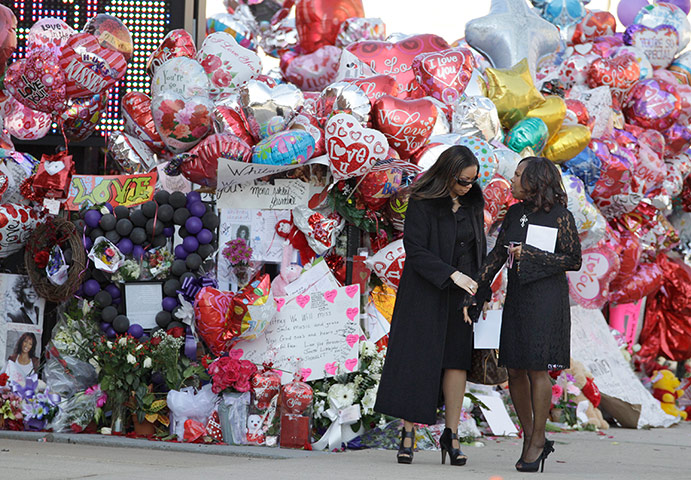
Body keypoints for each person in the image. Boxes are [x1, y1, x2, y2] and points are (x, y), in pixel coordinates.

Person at [374, 145, 486, 466]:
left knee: (456, 361)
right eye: (463, 181)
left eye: (472, 181)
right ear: (448, 174)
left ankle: (451, 436)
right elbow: (416, 249)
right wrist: (452, 275)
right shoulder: (422, 201)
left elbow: (479, 248)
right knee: (417, 358)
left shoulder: (472, 203)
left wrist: (479, 290)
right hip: (424, 290)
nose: (468, 187)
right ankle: (407, 432)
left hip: (461, 295)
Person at [471, 156, 582, 473]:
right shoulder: (515, 213)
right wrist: (477, 289)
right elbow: (497, 255)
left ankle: (538, 438)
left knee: (537, 369)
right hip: (518, 296)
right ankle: (529, 433)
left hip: (547, 299)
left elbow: (573, 259)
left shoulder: (561, 216)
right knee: (515, 369)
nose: (513, 180)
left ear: (535, 181)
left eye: (519, 175)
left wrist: (531, 254)